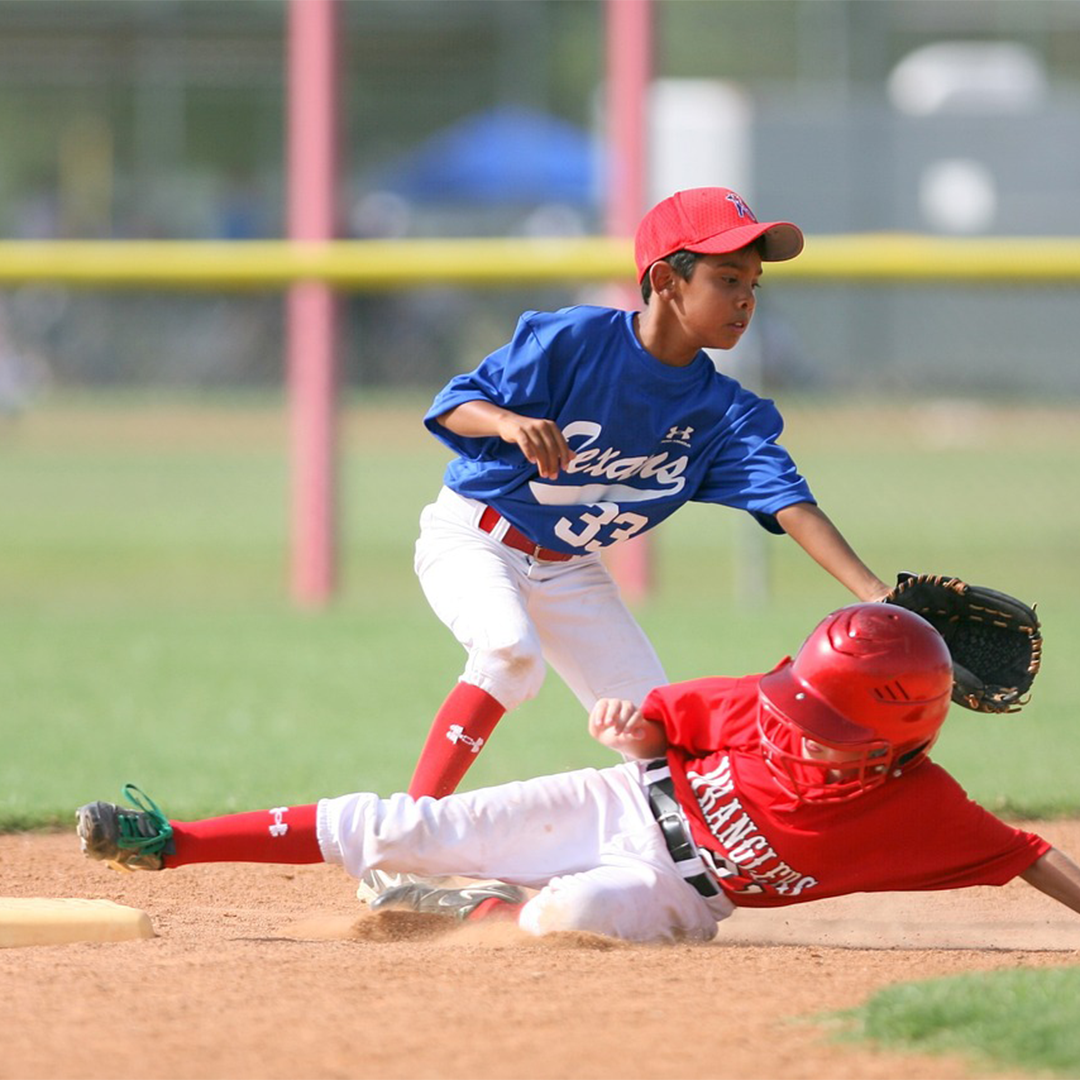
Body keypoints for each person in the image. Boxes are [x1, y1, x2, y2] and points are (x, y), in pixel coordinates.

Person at [76, 604, 1080, 945]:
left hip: (677, 895)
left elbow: (1031, 854)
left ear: (894, 744)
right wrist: (628, 729)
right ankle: (173, 844)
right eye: (796, 702)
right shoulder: (757, 699)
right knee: (402, 826)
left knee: (569, 921)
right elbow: (661, 732)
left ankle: (470, 910)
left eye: (822, 723)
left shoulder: (927, 810)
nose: (793, 723)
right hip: (620, 799)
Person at [405, 186, 891, 803]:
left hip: (569, 571)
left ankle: (659, 877)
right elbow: (452, 406)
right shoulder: (577, 341)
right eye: (726, 277)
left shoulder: (723, 414)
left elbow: (792, 505)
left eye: (754, 284)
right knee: (509, 654)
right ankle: (406, 838)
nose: (745, 298)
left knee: (656, 732)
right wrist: (506, 421)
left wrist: (879, 596)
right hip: (476, 539)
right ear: (666, 279)